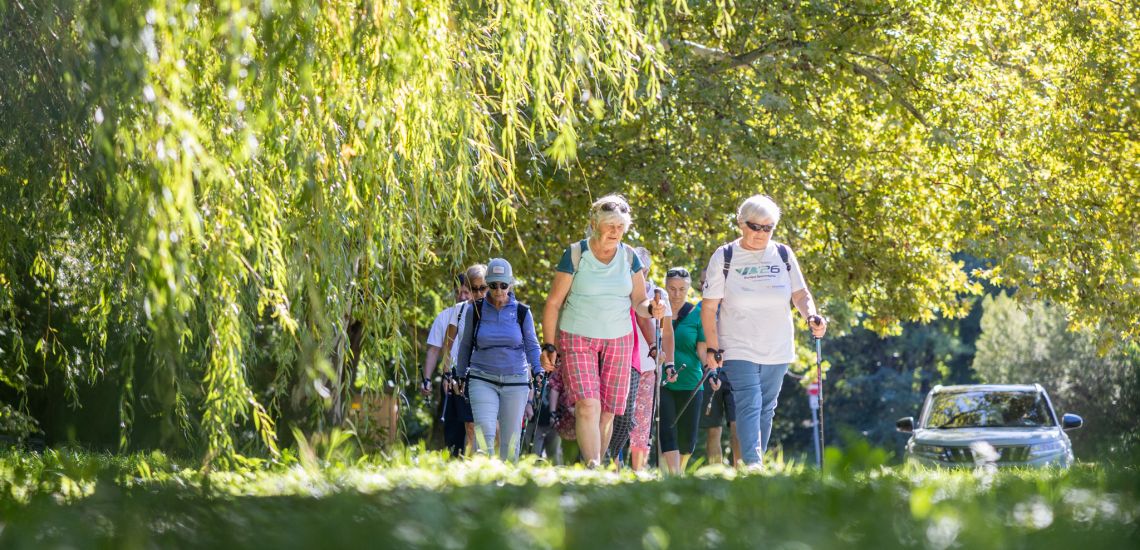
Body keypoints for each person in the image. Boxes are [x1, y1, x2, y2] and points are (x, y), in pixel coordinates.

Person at [701, 195, 827, 468]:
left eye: (767, 228)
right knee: (749, 401)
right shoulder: (725, 256)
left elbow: (800, 294)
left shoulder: (782, 254)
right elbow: (709, 308)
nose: (760, 233)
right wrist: (713, 347)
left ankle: (752, 462)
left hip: (777, 346)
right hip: (736, 345)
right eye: (754, 226)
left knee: (767, 407)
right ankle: (753, 466)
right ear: (740, 223)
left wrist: (812, 316)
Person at [541, 195, 666, 467]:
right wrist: (548, 345)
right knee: (588, 404)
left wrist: (652, 309)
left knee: (609, 409)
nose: (615, 232)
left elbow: (639, 302)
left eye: (620, 227)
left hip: (619, 338)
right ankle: (593, 464)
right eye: (609, 225)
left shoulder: (630, 257)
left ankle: (595, 464)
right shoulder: (576, 254)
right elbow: (553, 303)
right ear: (594, 223)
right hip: (577, 335)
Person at [456, 258, 542, 461]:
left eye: (503, 285)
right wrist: (459, 375)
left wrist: (538, 370)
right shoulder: (475, 310)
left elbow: (531, 344)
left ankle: (508, 487)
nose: (498, 290)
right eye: (492, 285)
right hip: (482, 378)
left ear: (510, 284)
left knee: (510, 443)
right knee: (484, 432)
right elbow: (466, 345)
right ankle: (486, 483)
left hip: (516, 381)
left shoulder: (521, 312)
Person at [606, 247, 675, 469]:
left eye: (643, 270)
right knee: (618, 416)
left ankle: (638, 470)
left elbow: (667, 332)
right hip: (621, 361)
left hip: (649, 366)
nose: (640, 275)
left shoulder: (658, 295)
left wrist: (669, 362)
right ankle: (612, 465)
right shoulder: (620, 293)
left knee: (643, 420)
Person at [658, 266, 704, 474]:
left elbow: (702, 348)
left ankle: (680, 472)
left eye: (681, 290)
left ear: (688, 289)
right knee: (667, 428)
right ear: (665, 287)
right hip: (662, 381)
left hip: (691, 382)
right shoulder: (656, 312)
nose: (676, 295)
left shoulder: (696, 314)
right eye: (672, 289)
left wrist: (712, 370)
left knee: (688, 439)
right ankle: (674, 475)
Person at [421, 272, 473, 456]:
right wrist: (426, 379)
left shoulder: (482, 313)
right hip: (451, 375)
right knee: (453, 425)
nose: (462, 296)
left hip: (475, 374)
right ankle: (454, 459)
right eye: (458, 291)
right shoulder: (444, 316)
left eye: (466, 292)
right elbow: (434, 350)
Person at [695, 268, 741, 467]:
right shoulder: (697, 309)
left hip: (736, 371)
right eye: (705, 282)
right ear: (700, 285)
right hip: (709, 372)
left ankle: (742, 473)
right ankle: (716, 473)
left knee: (737, 427)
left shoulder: (735, 306)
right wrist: (710, 369)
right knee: (713, 430)